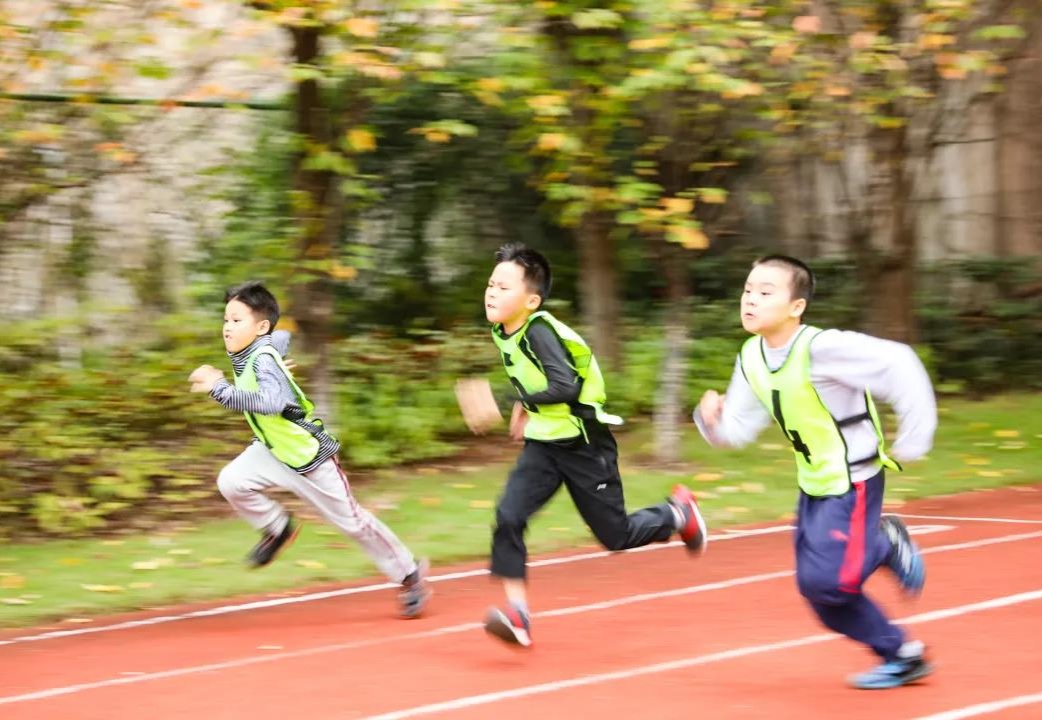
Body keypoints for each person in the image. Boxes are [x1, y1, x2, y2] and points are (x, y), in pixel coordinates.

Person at [693, 254, 935, 689]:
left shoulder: (822, 348)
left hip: (854, 481)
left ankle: (882, 545)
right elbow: (738, 431)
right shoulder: (751, 356)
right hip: (815, 484)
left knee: (829, 581)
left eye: (766, 292)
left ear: (796, 306)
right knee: (821, 595)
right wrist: (710, 419)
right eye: (748, 289)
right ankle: (901, 655)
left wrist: (914, 438)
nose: (750, 299)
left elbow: (900, 362)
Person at [473, 243, 707, 648]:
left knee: (615, 536)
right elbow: (539, 382)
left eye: (503, 287)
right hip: (545, 445)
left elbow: (566, 385)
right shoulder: (505, 331)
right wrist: (527, 409)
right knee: (509, 515)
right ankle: (518, 616)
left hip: (584, 445)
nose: (492, 292)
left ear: (531, 300)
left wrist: (514, 401)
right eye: (491, 284)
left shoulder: (539, 331)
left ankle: (677, 514)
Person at [188, 281, 430, 618]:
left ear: (260, 327)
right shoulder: (255, 350)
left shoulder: (261, 359)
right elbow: (280, 339)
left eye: (236, 320)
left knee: (353, 523)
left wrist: (220, 389)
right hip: (272, 451)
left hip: (308, 459)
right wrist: (280, 356)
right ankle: (277, 527)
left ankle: (409, 574)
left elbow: (272, 402)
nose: (227, 327)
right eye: (225, 319)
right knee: (231, 481)